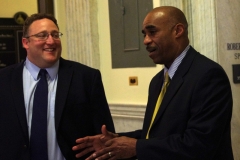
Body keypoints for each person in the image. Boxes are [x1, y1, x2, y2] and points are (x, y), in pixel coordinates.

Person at [72, 6, 233, 160]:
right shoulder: (157, 82)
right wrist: (117, 141)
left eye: (152, 32)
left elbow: (199, 145)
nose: (146, 41)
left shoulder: (208, 75)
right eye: (144, 34)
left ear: (178, 31)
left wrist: (135, 147)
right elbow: (156, 135)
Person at [0, 13, 115, 160]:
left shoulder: (86, 78)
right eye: (42, 35)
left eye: (55, 35)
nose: (51, 41)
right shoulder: (4, 80)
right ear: (25, 42)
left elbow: (105, 136)